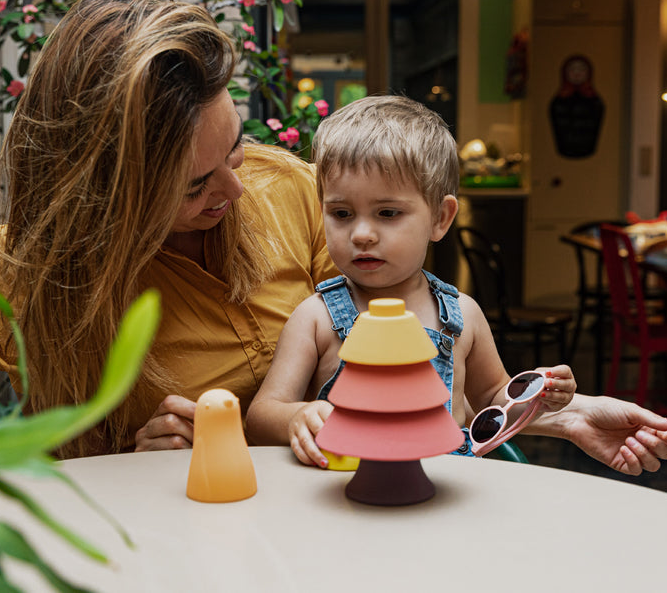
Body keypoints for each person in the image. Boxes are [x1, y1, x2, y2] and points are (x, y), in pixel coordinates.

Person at [0, 0, 667, 476]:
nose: (237, 190)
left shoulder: (290, 192)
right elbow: (58, 477)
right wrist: (133, 462)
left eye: (234, 149)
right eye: (193, 186)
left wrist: (562, 412)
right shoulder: (32, 278)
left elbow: (413, 372)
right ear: (107, 197)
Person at [246, 96, 577, 467]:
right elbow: (261, 415)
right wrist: (296, 417)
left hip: (445, 490)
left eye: (387, 213)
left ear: (440, 218)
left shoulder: (462, 316)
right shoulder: (316, 318)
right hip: (346, 489)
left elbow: (493, 398)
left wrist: (536, 395)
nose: (362, 234)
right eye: (341, 213)